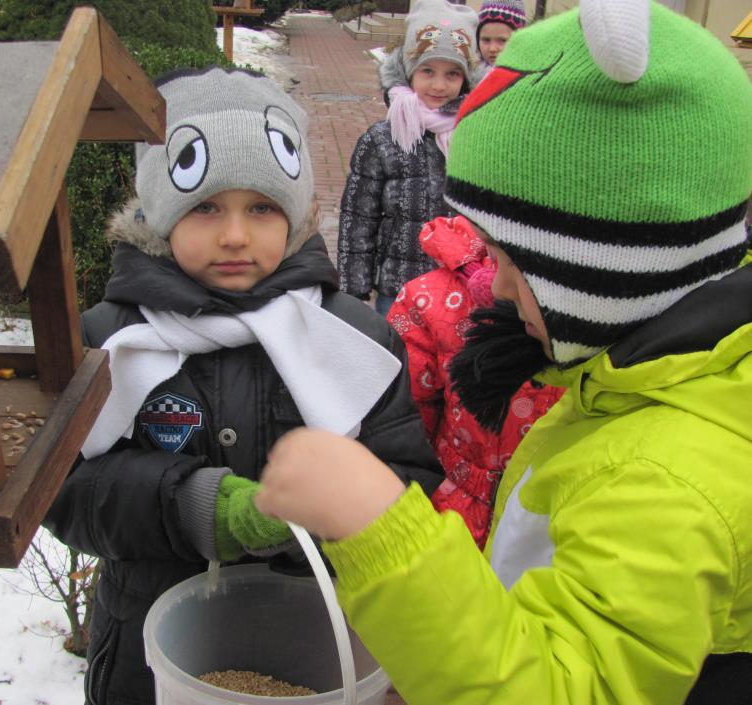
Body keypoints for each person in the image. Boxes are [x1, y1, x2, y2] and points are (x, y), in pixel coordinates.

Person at [256, 1, 752, 703]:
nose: (501, 291)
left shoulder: (666, 480)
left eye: (515, 263)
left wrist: (382, 532)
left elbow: (557, 688)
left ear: (606, 264)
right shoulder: (644, 377)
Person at [43, 66, 442, 705]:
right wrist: (195, 505)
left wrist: (335, 509)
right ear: (158, 211)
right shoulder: (110, 339)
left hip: (313, 645)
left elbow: (409, 476)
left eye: (261, 208)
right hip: (148, 658)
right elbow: (63, 493)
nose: (234, 235)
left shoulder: (352, 336)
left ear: (296, 210)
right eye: (204, 207)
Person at [387, 214, 563, 548]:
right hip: (450, 515)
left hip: (553, 525)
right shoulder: (430, 299)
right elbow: (404, 425)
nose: (502, 288)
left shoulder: (600, 313)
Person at [337, 0, 477, 316]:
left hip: (459, 293)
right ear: (408, 71)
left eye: (452, 73)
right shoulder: (382, 139)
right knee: (397, 365)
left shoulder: (475, 136)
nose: (439, 85)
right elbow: (359, 217)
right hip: (398, 291)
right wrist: (353, 292)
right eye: (428, 70)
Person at [473, 0, 527, 83]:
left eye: (502, 40)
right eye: (486, 40)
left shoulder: (525, 77)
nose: (492, 49)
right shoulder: (468, 73)